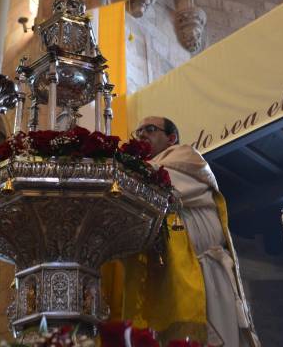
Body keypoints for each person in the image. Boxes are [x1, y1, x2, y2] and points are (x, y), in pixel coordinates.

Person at [104, 116, 260, 346]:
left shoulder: (185, 158)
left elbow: (159, 185)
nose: (142, 135)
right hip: (170, 279)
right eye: (138, 133)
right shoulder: (147, 169)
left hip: (204, 275)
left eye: (150, 129)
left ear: (171, 138)